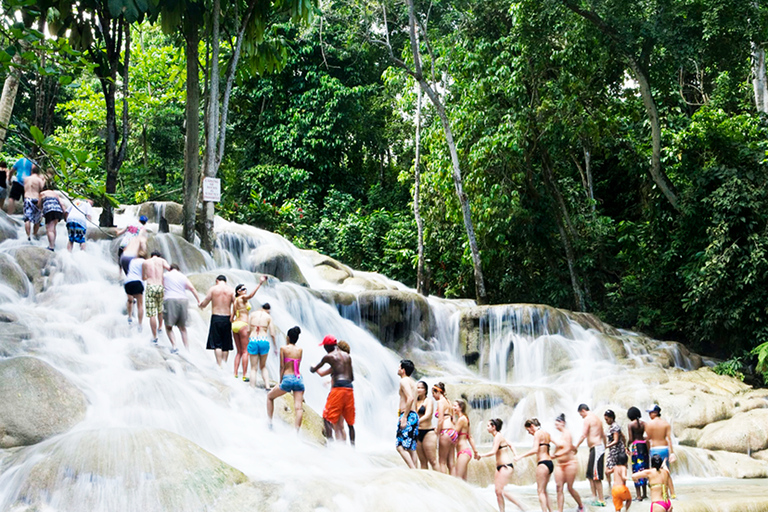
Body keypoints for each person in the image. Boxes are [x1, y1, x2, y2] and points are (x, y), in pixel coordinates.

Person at [310, 335, 355, 445]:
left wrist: (312, 367)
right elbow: (352, 377)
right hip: (349, 389)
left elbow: (315, 369)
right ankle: (353, 448)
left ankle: (331, 447)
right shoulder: (347, 357)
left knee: (327, 418)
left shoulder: (329, 357)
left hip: (338, 389)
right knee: (349, 424)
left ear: (326, 346)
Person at [476, 418, 525, 512]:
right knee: (497, 491)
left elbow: (494, 451)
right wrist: (515, 454)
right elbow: (511, 445)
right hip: (500, 467)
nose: (486, 428)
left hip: (505, 466)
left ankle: (520, 505)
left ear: (494, 427)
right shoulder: (499, 436)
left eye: (488, 426)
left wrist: (481, 455)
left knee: (502, 491)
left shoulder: (498, 436)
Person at [266, 326, 304, 431]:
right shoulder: (300, 350)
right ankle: (296, 432)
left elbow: (282, 366)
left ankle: (269, 423)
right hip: (298, 379)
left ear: (287, 337)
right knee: (298, 407)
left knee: (270, 397)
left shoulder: (284, 348)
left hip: (287, 378)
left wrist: (281, 381)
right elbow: (297, 366)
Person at [232, 276, 267, 381]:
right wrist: (260, 284)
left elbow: (231, 316)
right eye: (242, 289)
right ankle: (244, 375)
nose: (244, 290)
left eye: (245, 288)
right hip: (243, 324)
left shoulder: (235, 302)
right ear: (238, 292)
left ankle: (235, 374)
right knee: (245, 351)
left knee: (238, 352)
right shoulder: (242, 298)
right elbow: (251, 295)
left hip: (235, 325)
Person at [516, 418, 554, 512]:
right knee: (545, 491)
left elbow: (535, 449)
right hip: (550, 463)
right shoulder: (546, 433)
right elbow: (558, 444)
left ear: (532, 426)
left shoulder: (537, 433)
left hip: (542, 464)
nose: (529, 433)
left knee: (540, 491)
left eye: (528, 430)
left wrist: (521, 456)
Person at [199, 275, 236, 368]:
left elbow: (206, 301)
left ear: (217, 281)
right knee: (226, 343)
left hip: (216, 317)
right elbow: (236, 304)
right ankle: (225, 364)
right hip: (227, 317)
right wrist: (234, 315)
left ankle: (219, 365)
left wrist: (201, 305)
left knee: (217, 343)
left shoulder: (213, 289)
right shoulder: (231, 290)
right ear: (225, 281)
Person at [163, 263, 201, 353]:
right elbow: (192, 288)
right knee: (182, 327)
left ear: (170, 269)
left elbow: (161, 286)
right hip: (183, 300)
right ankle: (187, 349)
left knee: (168, 326)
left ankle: (174, 346)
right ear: (178, 269)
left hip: (170, 299)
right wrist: (199, 301)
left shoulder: (165, 275)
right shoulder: (183, 276)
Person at [575, 403, 607, 506]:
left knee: (596, 476)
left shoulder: (588, 419)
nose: (582, 417)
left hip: (597, 448)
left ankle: (601, 500)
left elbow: (584, 435)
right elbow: (603, 435)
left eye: (581, 415)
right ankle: (594, 497)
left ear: (583, 410)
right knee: (590, 475)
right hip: (597, 448)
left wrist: (576, 446)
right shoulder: (597, 418)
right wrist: (605, 446)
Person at [552, 414, 584, 512]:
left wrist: (556, 455)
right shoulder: (560, 436)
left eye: (557, 424)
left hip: (570, 463)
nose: (555, 426)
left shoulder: (568, 434)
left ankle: (581, 506)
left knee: (569, 487)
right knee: (559, 487)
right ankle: (560, 510)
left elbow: (567, 448)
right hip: (559, 464)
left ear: (563, 423)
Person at [645, 405, 676, 499]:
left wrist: (647, 451)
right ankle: (672, 492)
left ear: (656, 413)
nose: (650, 414)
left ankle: (661, 493)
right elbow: (669, 439)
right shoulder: (666, 424)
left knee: (656, 471)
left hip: (654, 449)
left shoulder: (649, 424)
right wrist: (672, 452)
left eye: (651, 412)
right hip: (664, 448)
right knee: (666, 471)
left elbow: (648, 439)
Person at [142, 251, 170, 344]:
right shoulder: (162, 261)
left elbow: (143, 277)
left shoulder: (146, 262)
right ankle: (160, 327)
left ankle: (154, 337)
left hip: (150, 286)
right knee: (160, 309)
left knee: (152, 314)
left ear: (151, 255)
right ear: (159, 255)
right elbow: (170, 269)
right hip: (160, 286)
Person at [396, 359, 419, 468]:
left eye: (399, 367)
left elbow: (410, 398)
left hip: (408, 415)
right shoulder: (412, 382)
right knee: (411, 448)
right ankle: (417, 472)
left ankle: (413, 470)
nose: (398, 369)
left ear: (403, 370)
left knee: (400, 446)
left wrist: (404, 417)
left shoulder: (404, 381)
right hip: (413, 415)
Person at [248, 300, 276, 389]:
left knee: (253, 368)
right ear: (268, 310)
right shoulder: (268, 317)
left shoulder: (252, 314)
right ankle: (267, 386)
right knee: (263, 366)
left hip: (253, 339)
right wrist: (275, 347)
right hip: (263, 340)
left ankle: (252, 386)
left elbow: (248, 330)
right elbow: (272, 333)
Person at [432, 382, 456, 475]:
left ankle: (445, 487)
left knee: (442, 462)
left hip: (445, 431)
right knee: (451, 463)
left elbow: (440, 419)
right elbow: (453, 419)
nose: (433, 396)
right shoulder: (449, 402)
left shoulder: (440, 402)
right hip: (453, 432)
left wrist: (437, 432)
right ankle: (454, 484)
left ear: (437, 392)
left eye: (433, 393)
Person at [452, 398, 477, 481]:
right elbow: (470, 437)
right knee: (463, 480)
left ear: (460, 407)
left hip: (463, 452)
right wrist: (475, 451)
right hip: (465, 451)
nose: (453, 407)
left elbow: (454, 433)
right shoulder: (466, 418)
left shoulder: (461, 419)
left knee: (458, 478)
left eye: (455, 406)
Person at [415, 380, 438, 470]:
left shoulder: (428, 401)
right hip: (417, 432)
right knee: (422, 461)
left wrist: (416, 422)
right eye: (417, 387)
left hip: (428, 431)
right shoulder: (414, 401)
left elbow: (428, 415)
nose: (419, 389)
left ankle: (441, 481)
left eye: (421, 388)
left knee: (433, 461)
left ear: (425, 390)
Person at [627, 407, 649, 501]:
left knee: (636, 470)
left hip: (636, 447)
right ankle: (645, 493)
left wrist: (627, 445)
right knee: (644, 469)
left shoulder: (631, 425)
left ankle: (638, 495)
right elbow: (647, 436)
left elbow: (631, 439)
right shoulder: (644, 424)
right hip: (643, 447)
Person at [605, 409, 626, 490]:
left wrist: (607, 446)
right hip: (615, 450)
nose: (606, 421)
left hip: (616, 451)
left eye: (607, 419)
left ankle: (617, 487)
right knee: (610, 470)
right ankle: (613, 487)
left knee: (611, 470)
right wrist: (625, 446)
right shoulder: (613, 426)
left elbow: (616, 440)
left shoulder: (615, 427)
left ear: (611, 418)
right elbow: (623, 437)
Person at [124, 252, 146, 330]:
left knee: (130, 300)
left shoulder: (132, 261)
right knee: (140, 304)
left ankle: (129, 317)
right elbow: (143, 276)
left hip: (127, 282)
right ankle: (140, 324)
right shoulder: (144, 261)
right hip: (137, 282)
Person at [22, 166, 45, 241]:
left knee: (27, 219)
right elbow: (42, 189)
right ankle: (34, 234)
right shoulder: (39, 180)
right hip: (36, 198)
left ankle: (28, 236)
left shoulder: (26, 179)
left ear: (31, 172)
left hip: (27, 198)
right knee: (37, 219)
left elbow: (24, 188)